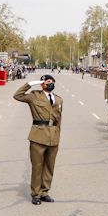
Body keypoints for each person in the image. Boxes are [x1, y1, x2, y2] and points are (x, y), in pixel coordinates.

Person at [14, 75, 62, 204]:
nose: (50, 83)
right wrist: (30, 83)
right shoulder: (34, 95)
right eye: (48, 82)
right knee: (37, 166)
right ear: (42, 84)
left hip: (53, 136)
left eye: (52, 82)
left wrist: (58, 135)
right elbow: (17, 95)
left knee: (49, 166)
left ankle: (44, 191)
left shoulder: (58, 99)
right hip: (39, 134)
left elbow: (59, 120)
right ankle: (36, 194)